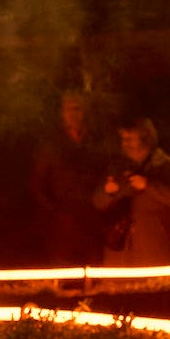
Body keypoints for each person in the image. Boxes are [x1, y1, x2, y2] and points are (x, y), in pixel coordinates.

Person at [93, 118, 170, 265]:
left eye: (130, 139)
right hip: (119, 253)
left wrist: (148, 185)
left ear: (145, 139)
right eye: (123, 138)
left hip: (152, 250)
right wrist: (108, 192)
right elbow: (98, 202)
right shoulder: (117, 167)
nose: (124, 143)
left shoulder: (164, 165)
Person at [28, 91, 106, 264]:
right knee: (64, 269)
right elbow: (37, 185)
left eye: (77, 109)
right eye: (68, 109)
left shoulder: (96, 141)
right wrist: (55, 211)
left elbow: (105, 174)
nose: (73, 114)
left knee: (92, 270)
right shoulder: (51, 144)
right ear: (61, 113)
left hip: (91, 218)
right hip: (63, 222)